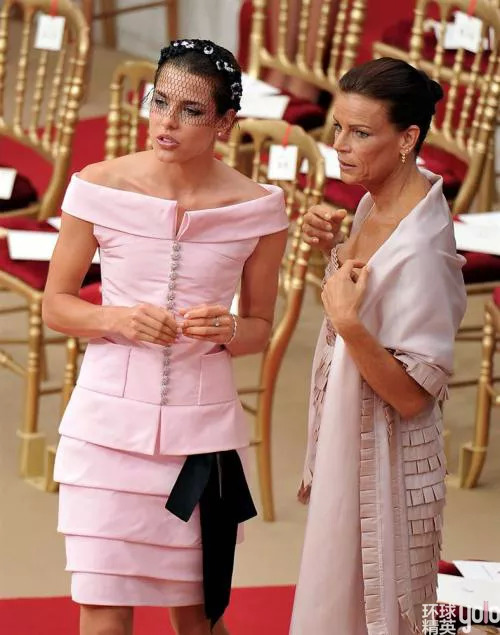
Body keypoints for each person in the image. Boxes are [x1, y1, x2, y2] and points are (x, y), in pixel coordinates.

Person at [42, 39, 288, 635]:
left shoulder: (260, 209)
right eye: (159, 101)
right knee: (103, 615)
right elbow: (56, 305)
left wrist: (232, 329)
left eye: (190, 110)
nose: (166, 122)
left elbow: (259, 329)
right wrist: (116, 319)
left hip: (201, 437)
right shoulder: (97, 187)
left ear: (225, 122)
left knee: (199, 619)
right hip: (104, 433)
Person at [290, 57, 467, 635]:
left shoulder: (425, 249)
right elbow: (371, 301)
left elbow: (414, 397)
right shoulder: (377, 199)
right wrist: (336, 249)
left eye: (361, 133)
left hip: (386, 466)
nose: (340, 146)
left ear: (408, 138)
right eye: (338, 127)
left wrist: (348, 323)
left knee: (377, 612)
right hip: (351, 440)